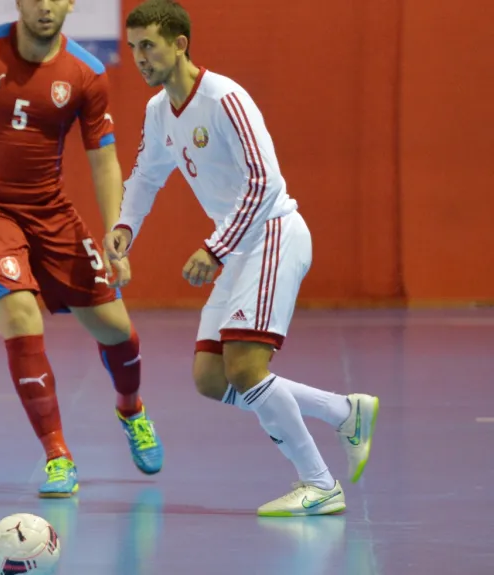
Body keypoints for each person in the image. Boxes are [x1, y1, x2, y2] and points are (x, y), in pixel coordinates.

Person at [107, 0, 380, 516]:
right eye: (133, 48)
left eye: (149, 46)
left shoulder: (225, 98)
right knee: (212, 379)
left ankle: (320, 485)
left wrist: (216, 247)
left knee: (246, 367)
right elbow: (146, 174)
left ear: (180, 44)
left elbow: (265, 182)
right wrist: (125, 226)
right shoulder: (157, 110)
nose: (140, 58)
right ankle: (346, 412)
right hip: (238, 249)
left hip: (273, 234)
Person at [0, 0, 164, 498]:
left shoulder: (86, 73)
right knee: (20, 316)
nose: (44, 6)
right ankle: (58, 455)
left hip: (52, 212)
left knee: (117, 330)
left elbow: (104, 159)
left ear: (70, 4)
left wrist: (117, 233)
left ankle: (131, 407)